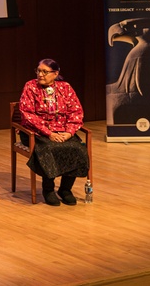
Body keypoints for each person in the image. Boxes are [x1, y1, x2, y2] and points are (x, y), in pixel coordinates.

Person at [18, 58, 90, 206]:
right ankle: (48, 189)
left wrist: (69, 132)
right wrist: (48, 132)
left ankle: (65, 189)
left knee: (77, 148)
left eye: (45, 71)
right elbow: (27, 114)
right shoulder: (30, 86)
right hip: (36, 132)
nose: (40, 74)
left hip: (62, 131)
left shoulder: (65, 88)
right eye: (38, 70)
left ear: (55, 73)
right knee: (49, 149)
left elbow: (76, 111)